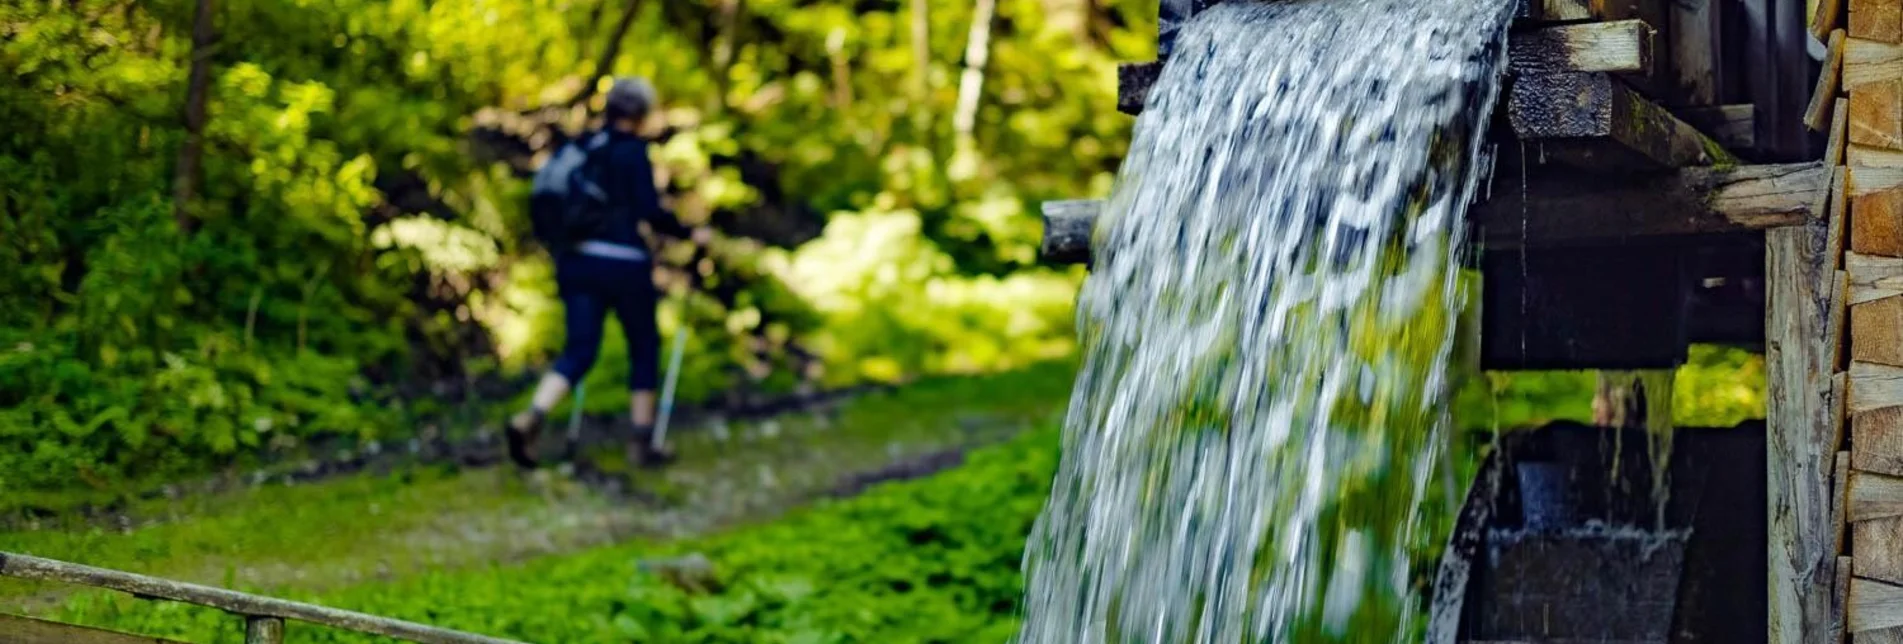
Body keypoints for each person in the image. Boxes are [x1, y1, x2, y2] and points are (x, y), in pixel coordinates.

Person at [507, 77, 709, 469]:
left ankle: (531, 416)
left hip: (577, 261)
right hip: (624, 263)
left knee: (580, 349)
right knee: (643, 347)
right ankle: (641, 443)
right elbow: (649, 211)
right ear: (641, 114)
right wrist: (690, 233)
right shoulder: (633, 152)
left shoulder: (583, 147)